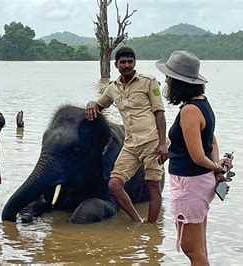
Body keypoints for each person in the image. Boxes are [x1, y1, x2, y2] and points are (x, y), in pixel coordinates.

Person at [155, 51, 232, 264]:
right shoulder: (203, 104)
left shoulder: (189, 110)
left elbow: (197, 156)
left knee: (191, 247)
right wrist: (216, 168)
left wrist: (214, 165)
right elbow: (212, 142)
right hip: (200, 182)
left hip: (190, 183)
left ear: (179, 83)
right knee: (200, 246)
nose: (166, 82)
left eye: (169, 78)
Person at [85, 47, 168, 223]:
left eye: (130, 61)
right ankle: (138, 221)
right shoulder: (112, 88)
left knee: (153, 185)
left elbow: (159, 112)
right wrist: (91, 102)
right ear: (116, 65)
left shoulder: (149, 82)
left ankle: (152, 228)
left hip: (151, 142)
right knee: (114, 184)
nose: (127, 65)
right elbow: (99, 106)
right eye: (123, 62)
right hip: (130, 144)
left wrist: (162, 143)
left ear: (135, 63)